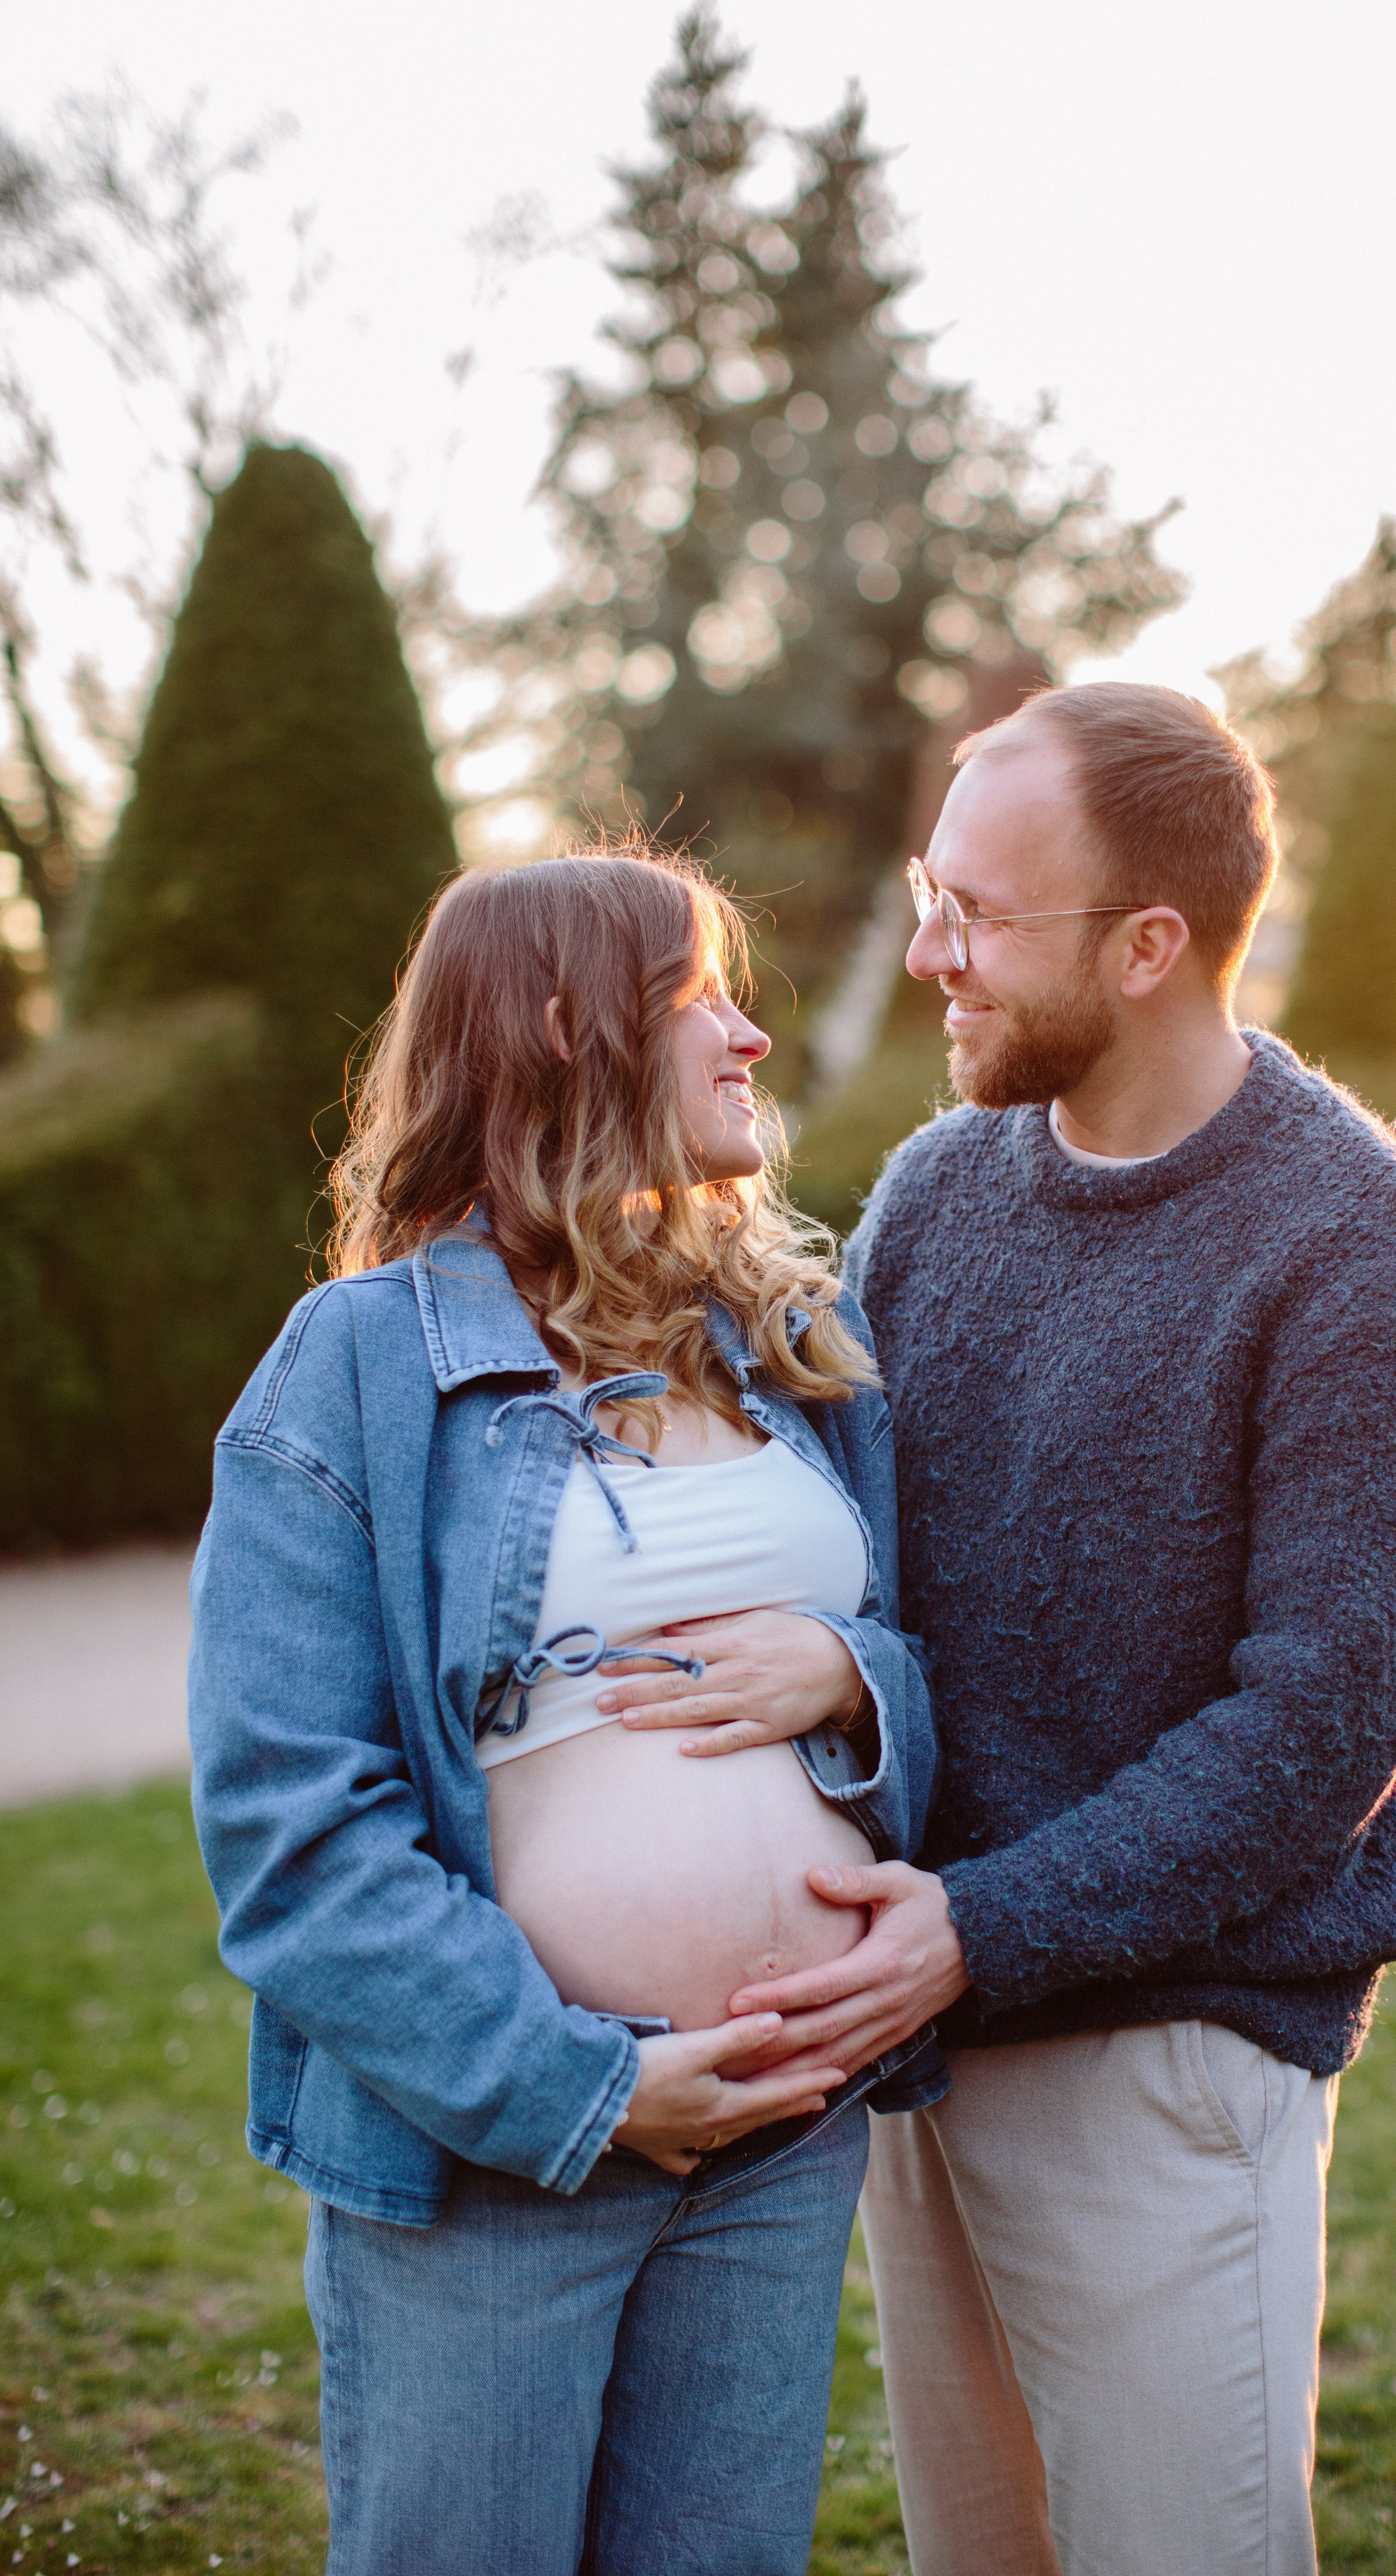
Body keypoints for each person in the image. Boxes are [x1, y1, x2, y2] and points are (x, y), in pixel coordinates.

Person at [721, 684, 1396, 2574]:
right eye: (931, 890)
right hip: (927, 2048)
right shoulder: (933, 1193)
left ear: (1153, 945)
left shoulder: (1355, 1247)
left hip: (1165, 2067)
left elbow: (1315, 1736)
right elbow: (865, 1576)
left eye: (979, 913)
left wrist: (975, 1933)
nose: (928, 955)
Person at [188, 849, 945, 2576]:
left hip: (781, 2132)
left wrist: (851, 1679)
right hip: (503, 2156)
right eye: (705, 999)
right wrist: (585, 2091)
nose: (751, 1036)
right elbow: (289, 1832)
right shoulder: (357, 1364)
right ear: (562, 1025)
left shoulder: (786, 1339)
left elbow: (905, 1663)